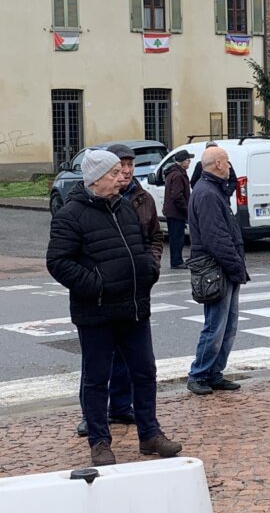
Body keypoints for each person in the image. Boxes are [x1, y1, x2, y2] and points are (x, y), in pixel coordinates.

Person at [47, 149, 178, 465]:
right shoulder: (71, 214)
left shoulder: (125, 208)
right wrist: (96, 285)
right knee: (96, 378)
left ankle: (149, 433)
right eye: (113, 173)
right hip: (97, 312)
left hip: (134, 307)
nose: (121, 178)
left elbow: (147, 241)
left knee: (145, 371)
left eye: (121, 172)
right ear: (96, 179)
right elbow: (57, 261)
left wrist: (149, 270)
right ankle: (99, 442)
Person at [103, 144, 166, 430]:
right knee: (102, 356)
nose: (127, 170)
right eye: (121, 165)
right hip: (106, 287)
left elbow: (155, 236)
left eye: (130, 164)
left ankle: (123, 406)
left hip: (138, 284)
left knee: (136, 355)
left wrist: (151, 267)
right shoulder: (100, 197)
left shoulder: (143, 198)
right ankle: (97, 411)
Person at [186, 145, 250, 394]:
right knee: (216, 325)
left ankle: (214, 372)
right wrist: (236, 267)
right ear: (218, 165)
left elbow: (231, 183)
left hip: (224, 268)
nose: (231, 166)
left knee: (228, 325)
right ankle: (199, 373)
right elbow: (217, 239)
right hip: (216, 268)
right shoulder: (207, 194)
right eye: (228, 161)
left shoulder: (214, 189)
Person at [161, 153, 191, 269]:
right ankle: (176, 261)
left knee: (175, 237)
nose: (189, 162)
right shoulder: (178, 175)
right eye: (188, 160)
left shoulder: (174, 173)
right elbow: (177, 195)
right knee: (177, 238)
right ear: (183, 161)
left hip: (173, 211)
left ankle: (176, 260)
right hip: (176, 212)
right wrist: (186, 209)